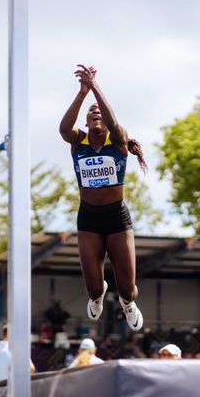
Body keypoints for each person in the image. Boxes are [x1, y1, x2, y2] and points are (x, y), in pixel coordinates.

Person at [59, 64, 146, 331]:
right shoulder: (78, 141)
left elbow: (113, 121)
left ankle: (128, 304)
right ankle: (98, 295)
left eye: (99, 111)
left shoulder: (118, 140)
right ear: (86, 122)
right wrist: (83, 92)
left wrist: (95, 87)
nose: (95, 112)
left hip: (116, 217)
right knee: (94, 289)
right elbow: (63, 128)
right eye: (91, 113)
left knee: (127, 289)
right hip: (89, 218)